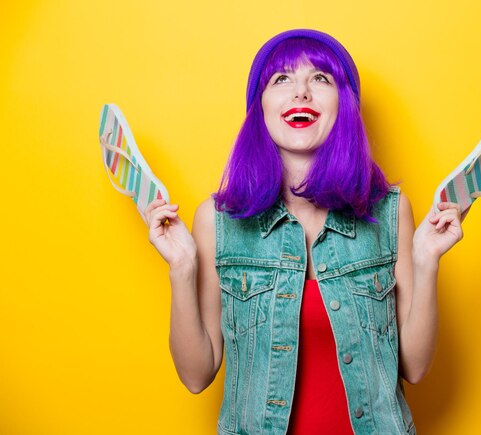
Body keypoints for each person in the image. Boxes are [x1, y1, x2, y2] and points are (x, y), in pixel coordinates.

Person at [143, 29, 464, 435]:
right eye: (281, 79)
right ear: (260, 108)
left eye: (320, 79)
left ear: (344, 105)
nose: (301, 93)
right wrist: (182, 269)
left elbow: (415, 368)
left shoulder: (389, 211)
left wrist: (426, 260)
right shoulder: (218, 221)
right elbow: (196, 375)